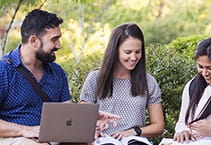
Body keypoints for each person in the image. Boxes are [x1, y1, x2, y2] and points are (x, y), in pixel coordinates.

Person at [0, 9, 120, 145]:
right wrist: (26, 130)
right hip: (14, 138)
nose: (59, 45)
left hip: (50, 138)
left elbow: (67, 114)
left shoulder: (57, 72)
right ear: (34, 41)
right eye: (54, 39)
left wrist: (89, 120)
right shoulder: (3, 70)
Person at [80, 23, 164, 144]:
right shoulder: (95, 78)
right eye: (128, 52)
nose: (133, 57)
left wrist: (134, 131)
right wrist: (93, 129)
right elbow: (82, 118)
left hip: (135, 140)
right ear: (115, 51)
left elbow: (158, 126)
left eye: (138, 52)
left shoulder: (148, 82)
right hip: (104, 140)